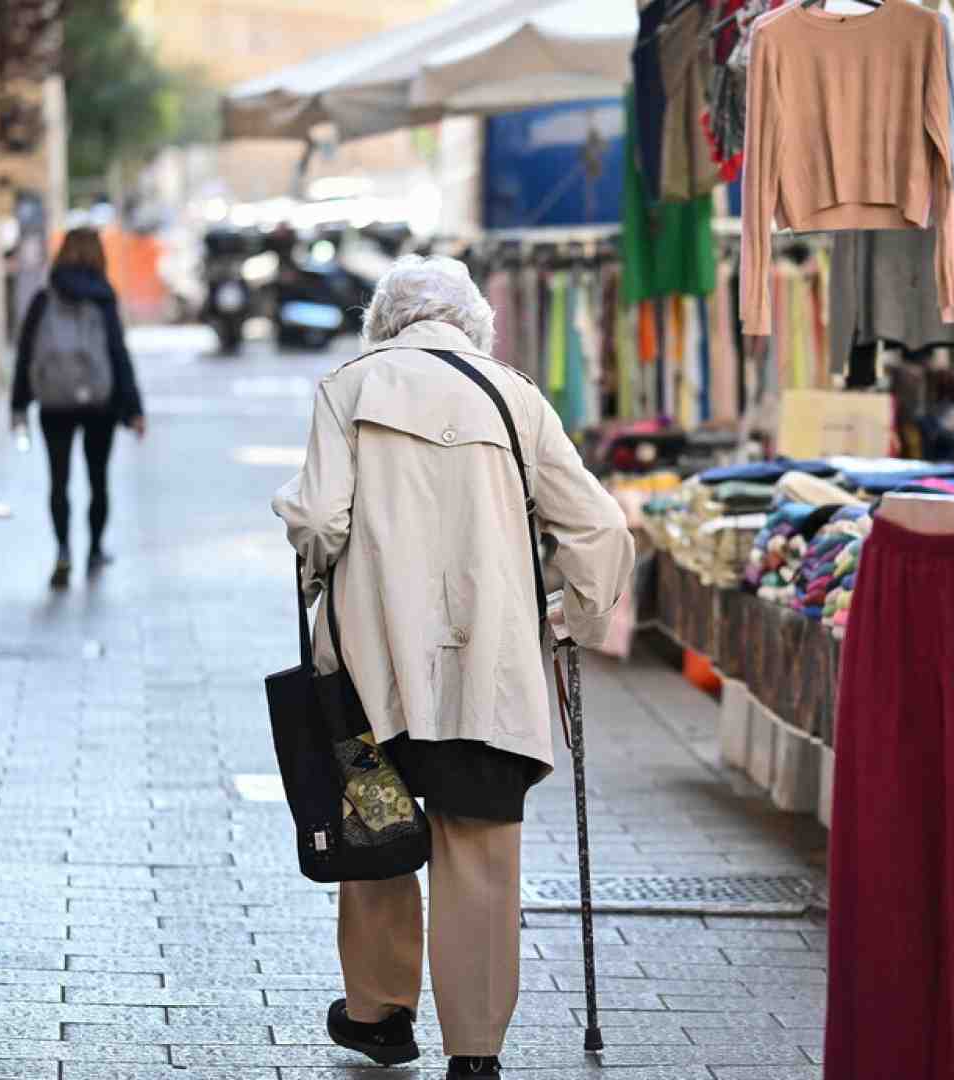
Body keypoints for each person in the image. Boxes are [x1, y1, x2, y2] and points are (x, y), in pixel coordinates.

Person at [273, 256, 634, 1079]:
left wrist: (314, 564)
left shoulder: (348, 388)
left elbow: (321, 521)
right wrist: (572, 620)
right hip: (491, 673)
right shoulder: (516, 396)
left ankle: (378, 1016)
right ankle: (475, 1054)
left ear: (383, 323)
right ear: (473, 322)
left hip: (368, 679)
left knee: (378, 835)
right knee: (480, 854)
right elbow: (602, 531)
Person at [11, 227, 147, 588]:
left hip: (54, 403)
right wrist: (133, 408)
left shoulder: (44, 298)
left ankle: (62, 551)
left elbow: (25, 353)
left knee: (58, 481)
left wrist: (19, 406)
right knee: (97, 480)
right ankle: (95, 550)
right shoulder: (103, 298)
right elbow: (118, 355)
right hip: (98, 404)